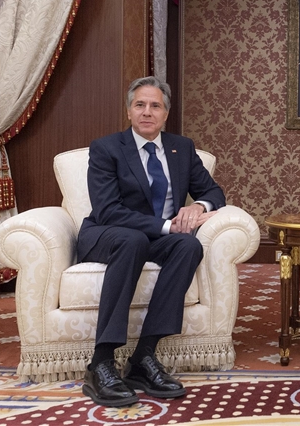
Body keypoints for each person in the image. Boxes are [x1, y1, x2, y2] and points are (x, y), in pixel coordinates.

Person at [78, 76, 225, 407]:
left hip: (154, 238)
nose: (147, 112)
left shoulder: (181, 148)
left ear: (165, 113)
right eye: (140, 105)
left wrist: (199, 206)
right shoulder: (107, 148)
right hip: (107, 233)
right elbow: (108, 210)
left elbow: (213, 191)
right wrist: (167, 225)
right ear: (129, 111)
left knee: (189, 246)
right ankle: (100, 362)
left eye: (155, 105)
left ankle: (143, 358)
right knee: (133, 241)